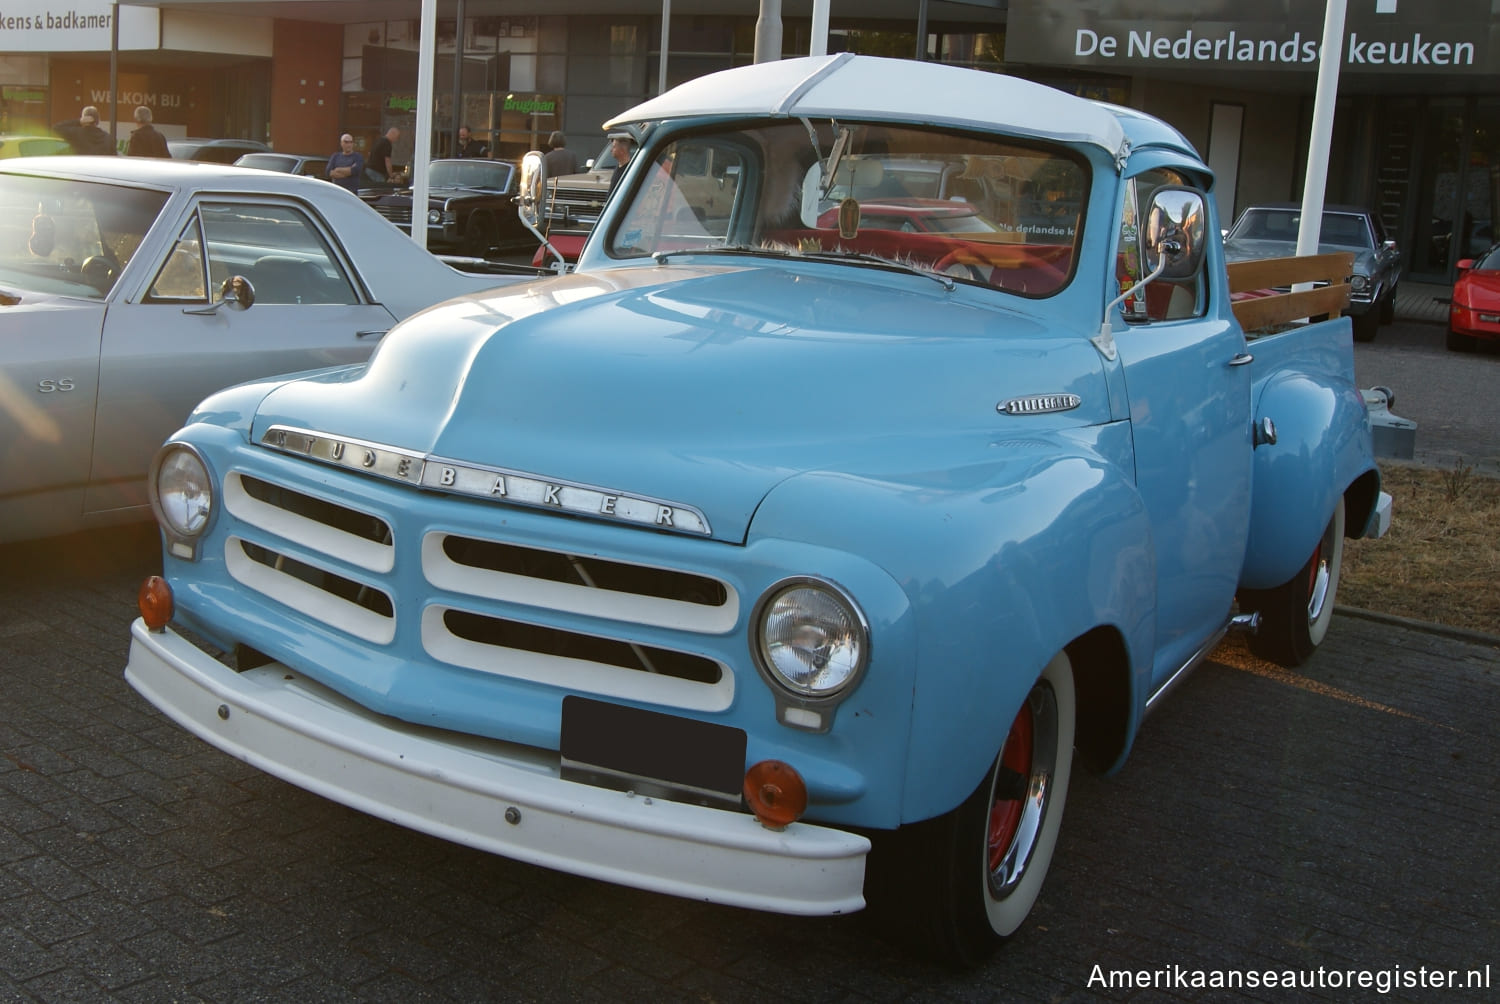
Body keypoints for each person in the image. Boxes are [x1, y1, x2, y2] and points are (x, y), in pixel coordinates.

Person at [606, 129, 635, 194]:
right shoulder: (618, 168)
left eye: (614, 147)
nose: (611, 150)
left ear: (622, 150)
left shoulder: (630, 171)